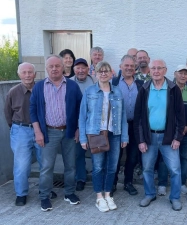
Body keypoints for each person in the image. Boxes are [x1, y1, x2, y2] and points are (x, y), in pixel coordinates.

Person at [30, 55, 82, 211]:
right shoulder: (39, 87)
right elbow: (32, 110)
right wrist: (38, 132)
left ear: (63, 67)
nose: (54, 69)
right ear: (46, 68)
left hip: (69, 131)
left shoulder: (72, 86)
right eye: (51, 66)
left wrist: (79, 129)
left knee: (70, 165)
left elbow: (81, 109)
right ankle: (44, 196)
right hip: (49, 132)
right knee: (46, 166)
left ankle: (69, 193)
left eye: (57, 66)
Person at [133, 59, 185, 211]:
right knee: (147, 169)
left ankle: (175, 198)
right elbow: (138, 119)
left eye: (159, 68)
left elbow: (181, 117)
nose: (156, 71)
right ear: (149, 70)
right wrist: (140, 140)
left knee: (175, 169)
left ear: (165, 70)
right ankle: (149, 194)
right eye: (153, 68)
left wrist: (177, 138)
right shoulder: (144, 89)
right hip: (149, 138)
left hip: (168, 138)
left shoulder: (173, 89)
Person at [79, 60, 128, 212]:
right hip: (96, 134)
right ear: (95, 73)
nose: (104, 73)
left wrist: (124, 136)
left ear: (111, 73)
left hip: (114, 134)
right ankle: (99, 197)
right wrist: (82, 137)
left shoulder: (118, 91)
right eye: (100, 71)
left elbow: (123, 116)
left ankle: (108, 195)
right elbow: (82, 116)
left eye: (106, 71)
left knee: (112, 167)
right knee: (98, 167)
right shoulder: (90, 91)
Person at [4, 63, 41, 206]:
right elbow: (8, 113)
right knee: (21, 165)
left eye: (30, 72)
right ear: (19, 75)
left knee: (45, 162)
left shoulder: (41, 89)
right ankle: (21, 193)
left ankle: (45, 190)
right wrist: (15, 128)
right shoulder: (13, 92)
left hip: (40, 130)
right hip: (21, 130)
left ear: (35, 74)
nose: (27, 75)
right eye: (24, 72)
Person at [158, 65, 187, 195]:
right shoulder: (166, 90)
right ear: (175, 74)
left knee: (184, 158)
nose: (183, 76)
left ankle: (181, 183)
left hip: (186, 132)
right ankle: (162, 184)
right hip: (168, 132)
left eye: (185, 73)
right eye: (180, 73)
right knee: (164, 158)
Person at [110, 55, 144, 197]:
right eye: (126, 65)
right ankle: (112, 183)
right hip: (117, 125)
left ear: (135, 68)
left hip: (135, 125)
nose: (129, 68)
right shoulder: (114, 82)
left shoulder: (141, 84)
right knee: (116, 155)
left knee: (132, 156)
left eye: (132, 66)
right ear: (121, 66)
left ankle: (128, 182)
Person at [69, 58, 96, 191]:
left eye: (83, 68)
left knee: (97, 151)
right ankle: (80, 178)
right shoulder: (68, 83)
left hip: (94, 124)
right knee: (79, 153)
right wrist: (78, 127)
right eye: (78, 68)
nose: (81, 70)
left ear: (88, 69)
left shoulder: (94, 81)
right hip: (77, 125)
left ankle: (98, 178)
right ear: (74, 69)